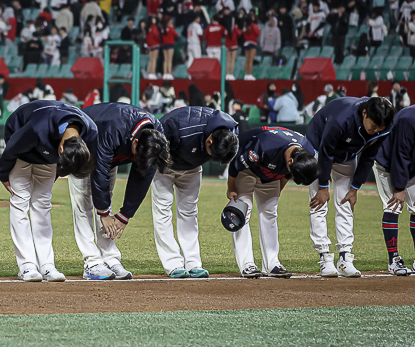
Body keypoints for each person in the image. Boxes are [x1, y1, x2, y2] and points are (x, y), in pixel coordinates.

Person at [0, 100, 98, 282]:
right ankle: (27, 265)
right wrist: (3, 174)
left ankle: (47, 265)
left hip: (49, 152)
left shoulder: (90, 132)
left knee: (42, 204)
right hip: (21, 148)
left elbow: (72, 165)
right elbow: (12, 148)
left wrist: (57, 171)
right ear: (61, 148)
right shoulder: (37, 128)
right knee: (20, 201)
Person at [69, 103, 171, 279]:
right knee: (83, 204)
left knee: (106, 200)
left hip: (110, 154)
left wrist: (125, 214)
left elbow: (143, 175)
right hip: (83, 149)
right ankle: (92, 262)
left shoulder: (155, 137)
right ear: (135, 142)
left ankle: (110, 258)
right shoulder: (113, 128)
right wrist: (104, 212)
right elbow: (99, 170)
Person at [306, 97, 395, 277]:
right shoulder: (342, 119)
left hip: (347, 154)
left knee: (346, 203)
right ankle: (325, 258)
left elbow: (369, 157)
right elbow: (326, 151)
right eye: (374, 125)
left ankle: (345, 258)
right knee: (318, 203)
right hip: (318, 148)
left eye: (380, 128)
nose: (376, 130)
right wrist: (323, 187)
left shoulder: (383, 126)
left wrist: (354, 188)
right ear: (364, 113)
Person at [153, 106, 239, 278]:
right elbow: (153, 147)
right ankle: (173, 263)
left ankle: (193, 262)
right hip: (164, 166)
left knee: (189, 211)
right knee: (163, 210)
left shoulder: (231, 135)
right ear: (209, 140)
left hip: (192, 169)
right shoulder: (178, 127)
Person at [227, 127, 319, 278]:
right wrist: (231, 188)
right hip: (247, 170)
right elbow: (236, 164)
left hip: (273, 176)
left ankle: (272, 263)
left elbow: (288, 174)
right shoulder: (266, 147)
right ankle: (247, 264)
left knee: (270, 212)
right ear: (290, 161)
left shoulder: (307, 153)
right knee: (242, 213)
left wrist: (278, 191)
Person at [374, 105, 415, 276]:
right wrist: (399, 188)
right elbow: (401, 154)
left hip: (411, 165)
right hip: (388, 164)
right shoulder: (409, 119)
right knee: (393, 206)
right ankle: (394, 260)